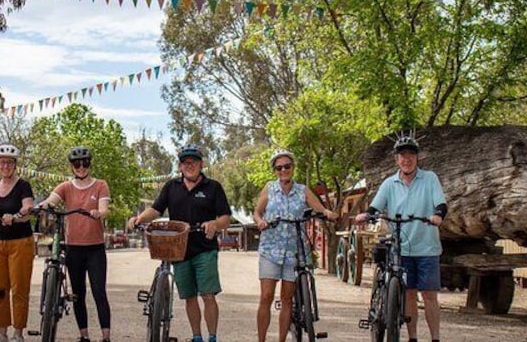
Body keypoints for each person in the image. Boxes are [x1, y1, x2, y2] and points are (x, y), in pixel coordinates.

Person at [126, 144, 231, 342]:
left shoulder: (213, 187)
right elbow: (156, 210)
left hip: (205, 249)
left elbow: (226, 217)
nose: (189, 165)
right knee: (189, 296)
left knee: (208, 295)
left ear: (201, 164)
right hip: (178, 250)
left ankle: (212, 338)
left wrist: (214, 223)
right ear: (180, 165)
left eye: (193, 161)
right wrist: (138, 219)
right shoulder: (171, 186)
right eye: (185, 162)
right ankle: (197, 337)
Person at [354, 134, 447, 342]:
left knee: (429, 295)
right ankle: (412, 337)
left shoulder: (430, 178)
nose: (407, 159)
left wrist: (438, 216)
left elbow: (441, 204)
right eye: (403, 155)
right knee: (410, 294)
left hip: (427, 247)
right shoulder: (390, 183)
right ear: (397, 159)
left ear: (417, 158)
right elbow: (375, 206)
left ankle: (435, 338)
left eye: (411, 155)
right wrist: (366, 215)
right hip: (401, 248)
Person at [252, 149, 338, 342]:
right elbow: (257, 212)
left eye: (287, 166)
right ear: (275, 170)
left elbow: (319, 208)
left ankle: (282, 339)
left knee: (286, 299)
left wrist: (328, 213)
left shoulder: (303, 190)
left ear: (293, 168)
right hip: (270, 249)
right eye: (279, 167)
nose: (283, 170)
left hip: (295, 250)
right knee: (266, 296)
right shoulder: (269, 188)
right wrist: (260, 222)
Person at [37, 146, 112, 342]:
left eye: (85, 163)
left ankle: (106, 337)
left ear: (90, 164)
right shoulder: (66, 187)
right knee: (78, 293)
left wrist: (99, 212)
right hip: (74, 248)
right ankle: (84, 335)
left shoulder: (100, 185)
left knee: (99, 292)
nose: (81, 167)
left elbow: (104, 208)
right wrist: (38, 207)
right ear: (71, 166)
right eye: (77, 164)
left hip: (95, 248)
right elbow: (51, 201)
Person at [0, 143, 35, 342]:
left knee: (19, 288)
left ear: (15, 165)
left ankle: (18, 333)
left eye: (9, 163)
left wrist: (14, 216)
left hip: (20, 242)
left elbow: (28, 208)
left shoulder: (23, 185)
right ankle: (2, 332)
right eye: (2, 162)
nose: (5, 166)